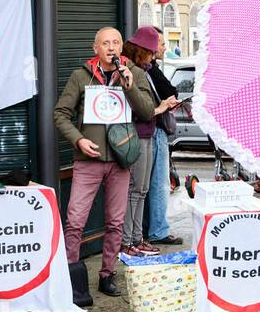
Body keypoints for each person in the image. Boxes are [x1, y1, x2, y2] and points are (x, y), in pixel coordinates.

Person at [54, 27, 156, 297]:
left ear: (122, 47)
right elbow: (61, 114)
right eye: (105, 43)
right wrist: (78, 140)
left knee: (115, 222)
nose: (111, 48)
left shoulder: (134, 74)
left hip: (121, 159)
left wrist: (130, 87)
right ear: (95, 48)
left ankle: (107, 274)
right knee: (75, 220)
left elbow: (146, 111)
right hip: (88, 159)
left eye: (116, 43)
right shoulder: (80, 76)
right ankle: (71, 275)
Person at [119, 28, 173, 258]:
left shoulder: (141, 70)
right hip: (138, 134)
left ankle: (136, 238)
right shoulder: (134, 72)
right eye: (151, 52)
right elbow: (142, 107)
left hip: (145, 132)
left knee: (141, 190)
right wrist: (159, 108)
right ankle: (129, 240)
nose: (154, 56)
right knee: (136, 190)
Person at [143, 30, 183, 247]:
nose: (164, 47)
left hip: (152, 130)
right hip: (154, 130)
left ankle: (152, 228)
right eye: (161, 43)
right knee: (157, 183)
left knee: (149, 185)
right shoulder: (148, 70)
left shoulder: (149, 69)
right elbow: (170, 91)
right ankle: (157, 230)